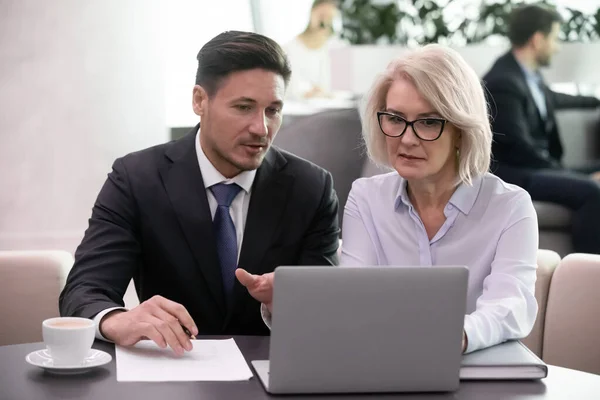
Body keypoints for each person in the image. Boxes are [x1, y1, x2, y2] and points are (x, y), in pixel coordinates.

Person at [239, 44, 539, 354]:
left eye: (427, 122)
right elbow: (354, 299)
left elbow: (511, 305)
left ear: (461, 130)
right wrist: (295, 302)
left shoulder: (510, 207)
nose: (407, 138)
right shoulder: (367, 198)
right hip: (387, 366)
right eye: (395, 119)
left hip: (478, 367)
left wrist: (457, 335)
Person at [59, 31, 340, 355]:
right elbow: (83, 290)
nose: (261, 128)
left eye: (273, 110)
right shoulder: (136, 179)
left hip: (273, 376)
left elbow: (325, 314)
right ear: (199, 100)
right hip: (171, 372)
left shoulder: (311, 188)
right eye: (244, 107)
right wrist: (116, 319)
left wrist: (288, 307)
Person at [483, 4, 600, 254]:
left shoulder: (527, 76)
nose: (556, 47)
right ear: (537, 40)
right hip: (516, 172)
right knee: (591, 190)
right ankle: (586, 271)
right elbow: (519, 146)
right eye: (554, 38)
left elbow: (555, 98)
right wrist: (571, 175)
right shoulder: (503, 81)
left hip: (538, 166)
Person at [283, 0, 346, 100]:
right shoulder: (289, 49)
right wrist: (306, 92)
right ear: (312, 13)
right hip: (302, 107)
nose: (324, 21)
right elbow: (288, 87)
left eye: (329, 17)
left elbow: (343, 87)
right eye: (322, 15)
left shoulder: (338, 47)